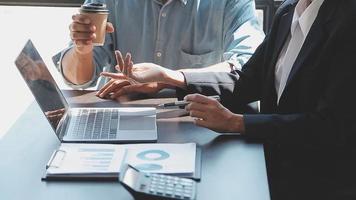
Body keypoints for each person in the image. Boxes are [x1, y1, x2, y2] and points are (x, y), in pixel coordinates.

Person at [98, 0, 356, 199]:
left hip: (316, 182)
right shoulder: (289, 10)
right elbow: (247, 81)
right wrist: (170, 78)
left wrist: (236, 123)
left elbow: (332, 128)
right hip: (270, 165)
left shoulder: (347, 20)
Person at [55, 0, 264, 94]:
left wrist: (169, 78)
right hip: (120, 115)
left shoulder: (229, 2)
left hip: (196, 118)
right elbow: (79, 81)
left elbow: (248, 65)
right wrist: (82, 52)